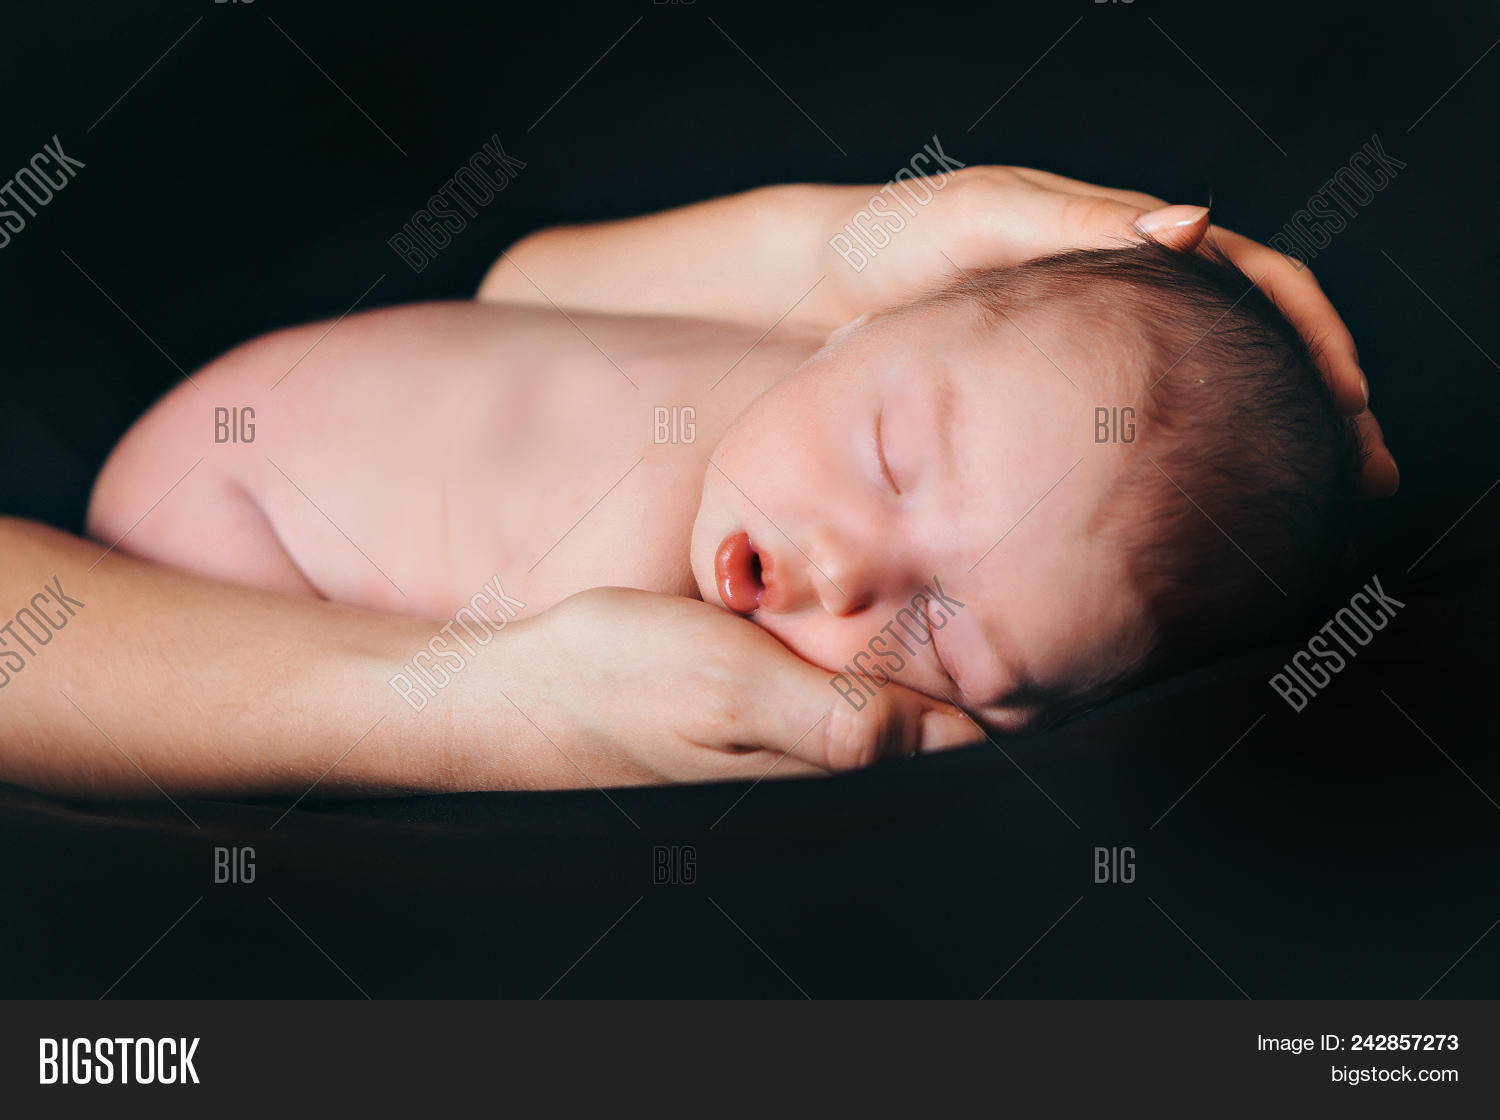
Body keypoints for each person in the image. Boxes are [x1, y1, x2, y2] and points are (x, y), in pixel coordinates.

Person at [0, 167, 1395, 798]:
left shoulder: (752, 486)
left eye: (951, 634)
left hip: (239, 487)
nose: (854, 567)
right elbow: (535, 288)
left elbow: (527, 301)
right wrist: (857, 227)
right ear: (863, 323)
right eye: (891, 459)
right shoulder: (780, 336)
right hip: (213, 527)